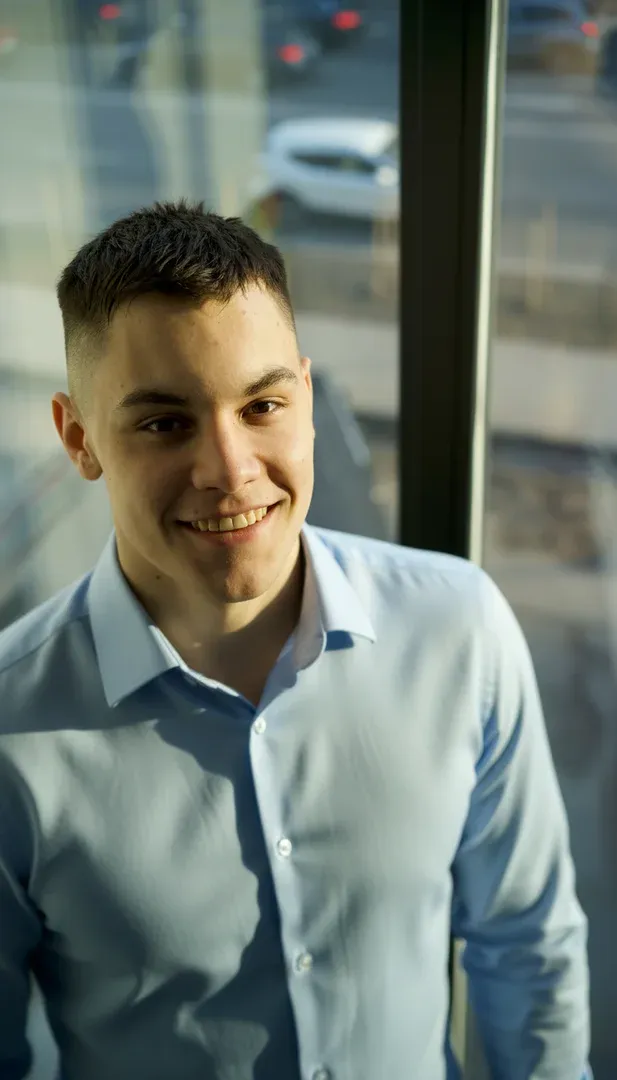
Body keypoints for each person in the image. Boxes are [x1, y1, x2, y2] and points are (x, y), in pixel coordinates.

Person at [0, 201, 591, 1080]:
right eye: (164, 423)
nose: (229, 469)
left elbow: (528, 948)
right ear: (79, 439)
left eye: (263, 404)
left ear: (307, 401)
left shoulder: (457, 629)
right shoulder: (11, 726)